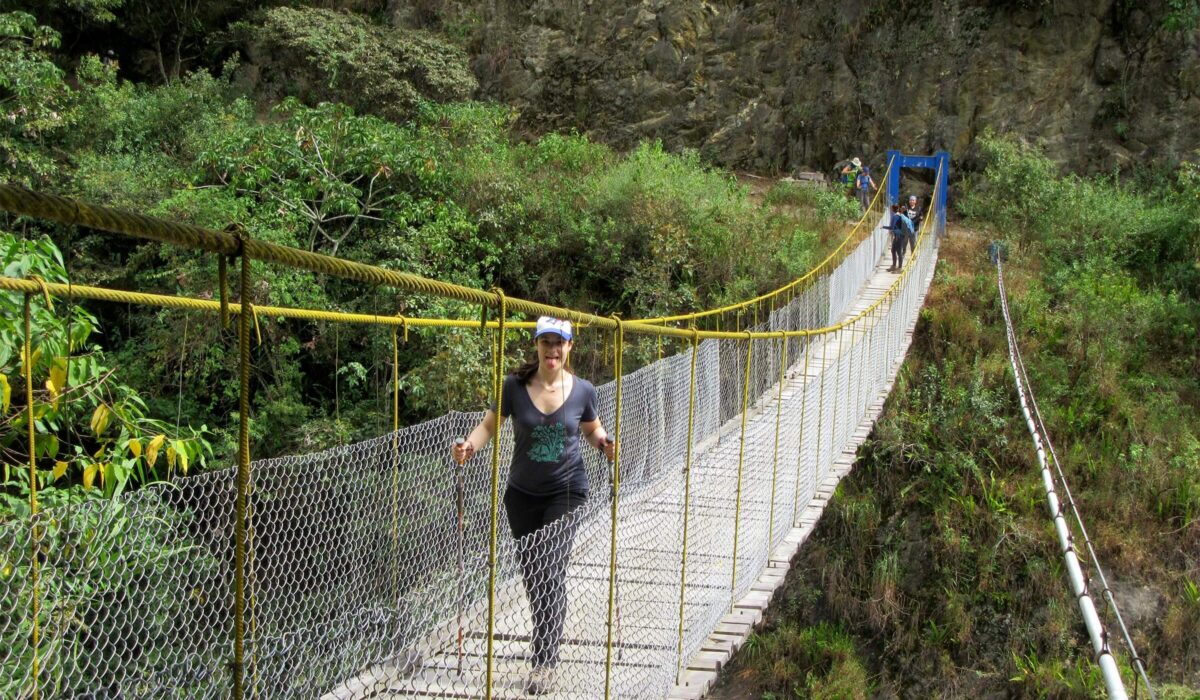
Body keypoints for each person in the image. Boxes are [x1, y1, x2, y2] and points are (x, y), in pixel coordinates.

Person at [453, 316, 615, 695]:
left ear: (570, 347)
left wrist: (606, 444)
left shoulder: (583, 390)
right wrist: (469, 447)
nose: (552, 350)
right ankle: (545, 640)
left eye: (559, 343)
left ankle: (544, 662)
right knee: (534, 577)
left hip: (567, 492)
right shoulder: (513, 386)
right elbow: (490, 425)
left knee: (550, 569)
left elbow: (592, 430)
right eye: (546, 342)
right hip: (522, 496)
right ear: (537, 345)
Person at [885, 204, 913, 272]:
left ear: (893, 209)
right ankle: (894, 266)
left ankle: (899, 268)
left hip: (899, 236)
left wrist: (883, 227)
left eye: (891, 209)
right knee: (893, 251)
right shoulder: (900, 215)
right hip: (900, 236)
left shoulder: (895, 216)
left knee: (898, 252)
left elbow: (892, 227)